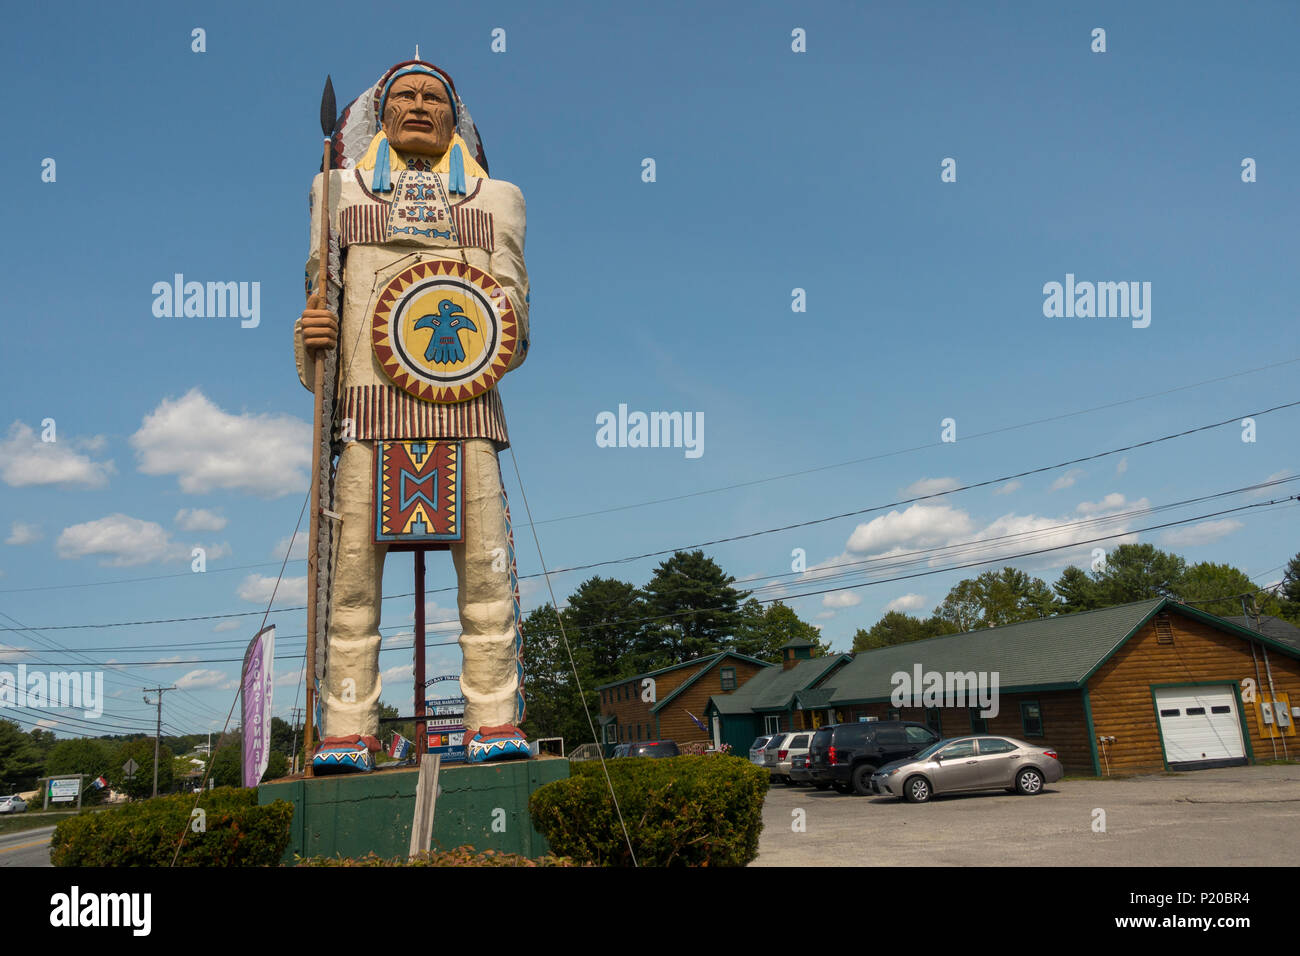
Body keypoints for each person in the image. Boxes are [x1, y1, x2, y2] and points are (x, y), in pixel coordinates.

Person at [295, 59, 531, 764]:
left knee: (487, 579)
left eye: (435, 97)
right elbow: (319, 297)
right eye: (406, 95)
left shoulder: (500, 201)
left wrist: (494, 330)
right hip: (367, 411)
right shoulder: (335, 191)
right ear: (378, 114)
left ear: (458, 118)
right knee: (351, 584)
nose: (421, 106)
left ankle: (494, 717)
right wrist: (312, 339)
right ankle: (346, 730)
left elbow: (516, 313)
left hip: (465, 409)